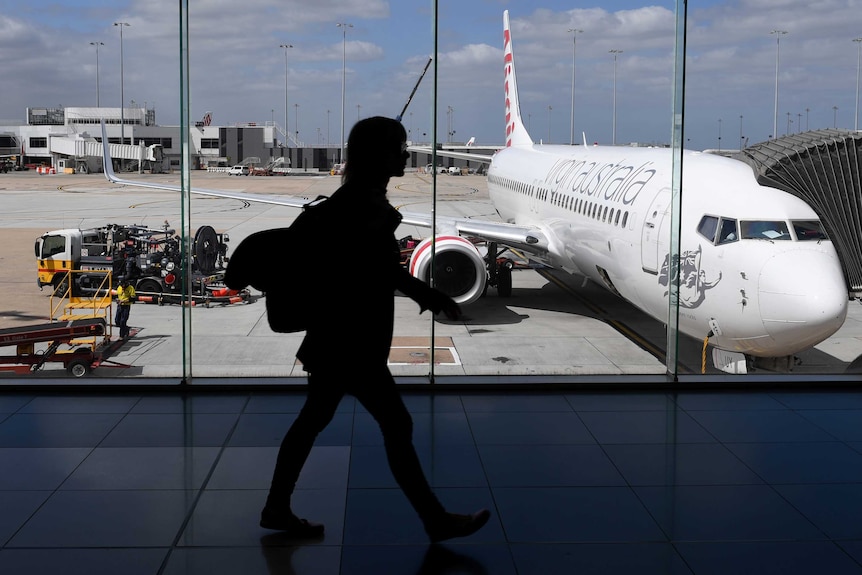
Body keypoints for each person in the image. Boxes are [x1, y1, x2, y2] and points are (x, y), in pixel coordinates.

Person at [260, 116, 491, 543]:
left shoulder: (356, 204)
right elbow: (376, 269)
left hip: (338, 340)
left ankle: (277, 506)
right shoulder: (361, 209)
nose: (405, 154)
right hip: (351, 343)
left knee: (314, 421)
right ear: (376, 156)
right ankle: (435, 520)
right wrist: (430, 294)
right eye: (398, 147)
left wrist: (424, 291)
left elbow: (375, 269)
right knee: (394, 425)